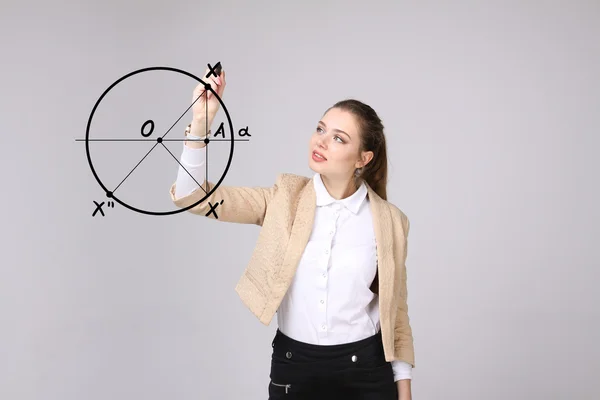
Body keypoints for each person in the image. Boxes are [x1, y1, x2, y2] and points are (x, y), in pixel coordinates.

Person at [170, 67, 414, 400]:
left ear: (363, 158)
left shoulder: (390, 221)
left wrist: (404, 391)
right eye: (320, 129)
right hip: (294, 368)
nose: (321, 141)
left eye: (339, 138)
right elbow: (193, 197)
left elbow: (395, 313)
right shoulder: (282, 199)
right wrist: (200, 122)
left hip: (368, 373)